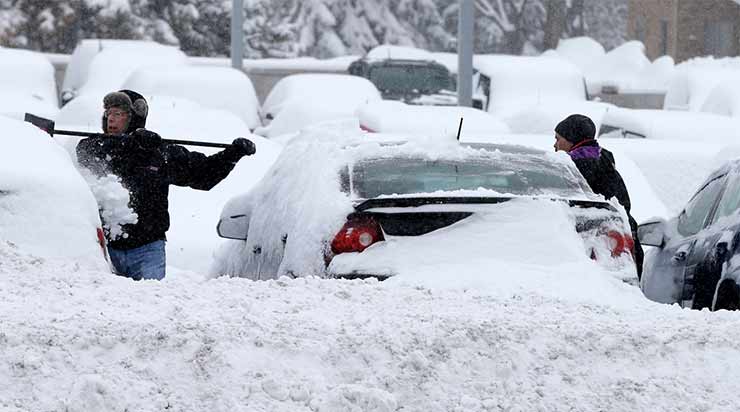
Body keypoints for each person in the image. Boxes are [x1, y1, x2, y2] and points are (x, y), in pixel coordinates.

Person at [76, 89, 255, 281]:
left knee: (149, 302)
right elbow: (83, 150)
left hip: (148, 251)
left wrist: (232, 155)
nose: (111, 119)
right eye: (108, 113)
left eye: (118, 114)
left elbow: (204, 175)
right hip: (104, 249)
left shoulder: (158, 154)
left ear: (135, 118)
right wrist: (132, 144)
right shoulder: (96, 147)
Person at [553, 114, 644, 278]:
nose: (555, 144)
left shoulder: (573, 168)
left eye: (558, 139)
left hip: (596, 247)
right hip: (624, 243)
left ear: (572, 139)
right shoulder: (605, 164)